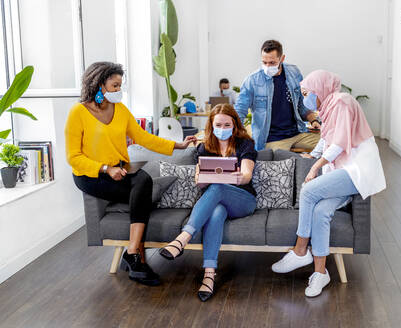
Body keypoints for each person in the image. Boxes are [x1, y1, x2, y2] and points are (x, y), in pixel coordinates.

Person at [65, 62, 197, 286]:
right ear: (99, 85)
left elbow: (144, 138)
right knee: (143, 188)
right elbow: (73, 157)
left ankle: (133, 252)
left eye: (120, 86)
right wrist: (105, 168)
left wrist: (178, 146)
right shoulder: (78, 112)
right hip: (91, 175)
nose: (118, 91)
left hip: (119, 171)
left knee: (143, 181)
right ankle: (135, 257)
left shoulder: (121, 110)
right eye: (114, 86)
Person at [271, 70, 386, 297]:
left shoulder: (342, 102)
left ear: (319, 89)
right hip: (343, 171)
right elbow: (326, 138)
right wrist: (313, 156)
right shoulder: (329, 108)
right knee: (321, 212)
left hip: (356, 169)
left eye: (307, 93)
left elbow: (340, 143)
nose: (305, 99)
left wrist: (315, 167)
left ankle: (300, 250)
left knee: (308, 191)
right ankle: (320, 273)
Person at [159, 103, 257, 302]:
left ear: (234, 124)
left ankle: (183, 238)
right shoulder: (204, 147)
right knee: (217, 211)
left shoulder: (245, 144)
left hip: (243, 199)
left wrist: (236, 177)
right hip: (217, 200)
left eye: (226, 124)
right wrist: (202, 178)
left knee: (219, 186)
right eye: (218, 124)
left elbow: (247, 175)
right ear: (211, 126)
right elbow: (198, 179)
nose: (222, 129)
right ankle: (209, 274)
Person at [235, 39, 321, 151]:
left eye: (272, 63)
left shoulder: (294, 72)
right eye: (264, 62)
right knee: (284, 163)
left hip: (298, 133)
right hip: (272, 139)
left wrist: (313, 120)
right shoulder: (252, 81)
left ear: (282, 58)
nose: (267, 66)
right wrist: (235, 135)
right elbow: (240, 110)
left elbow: (301, 103)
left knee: (329, 145)